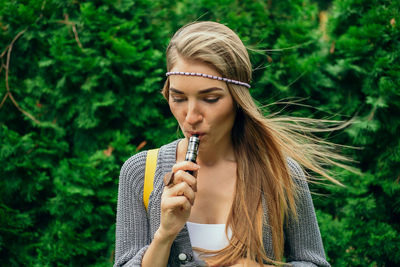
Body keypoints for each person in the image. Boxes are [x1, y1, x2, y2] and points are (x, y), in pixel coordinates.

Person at [114, 21, 347, 266]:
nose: (191, 116)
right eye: (178, 97)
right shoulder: (140, 172)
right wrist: (164, 235)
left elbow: (314, 263)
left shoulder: (281, 173)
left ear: (238, 99)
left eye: (211, 98)